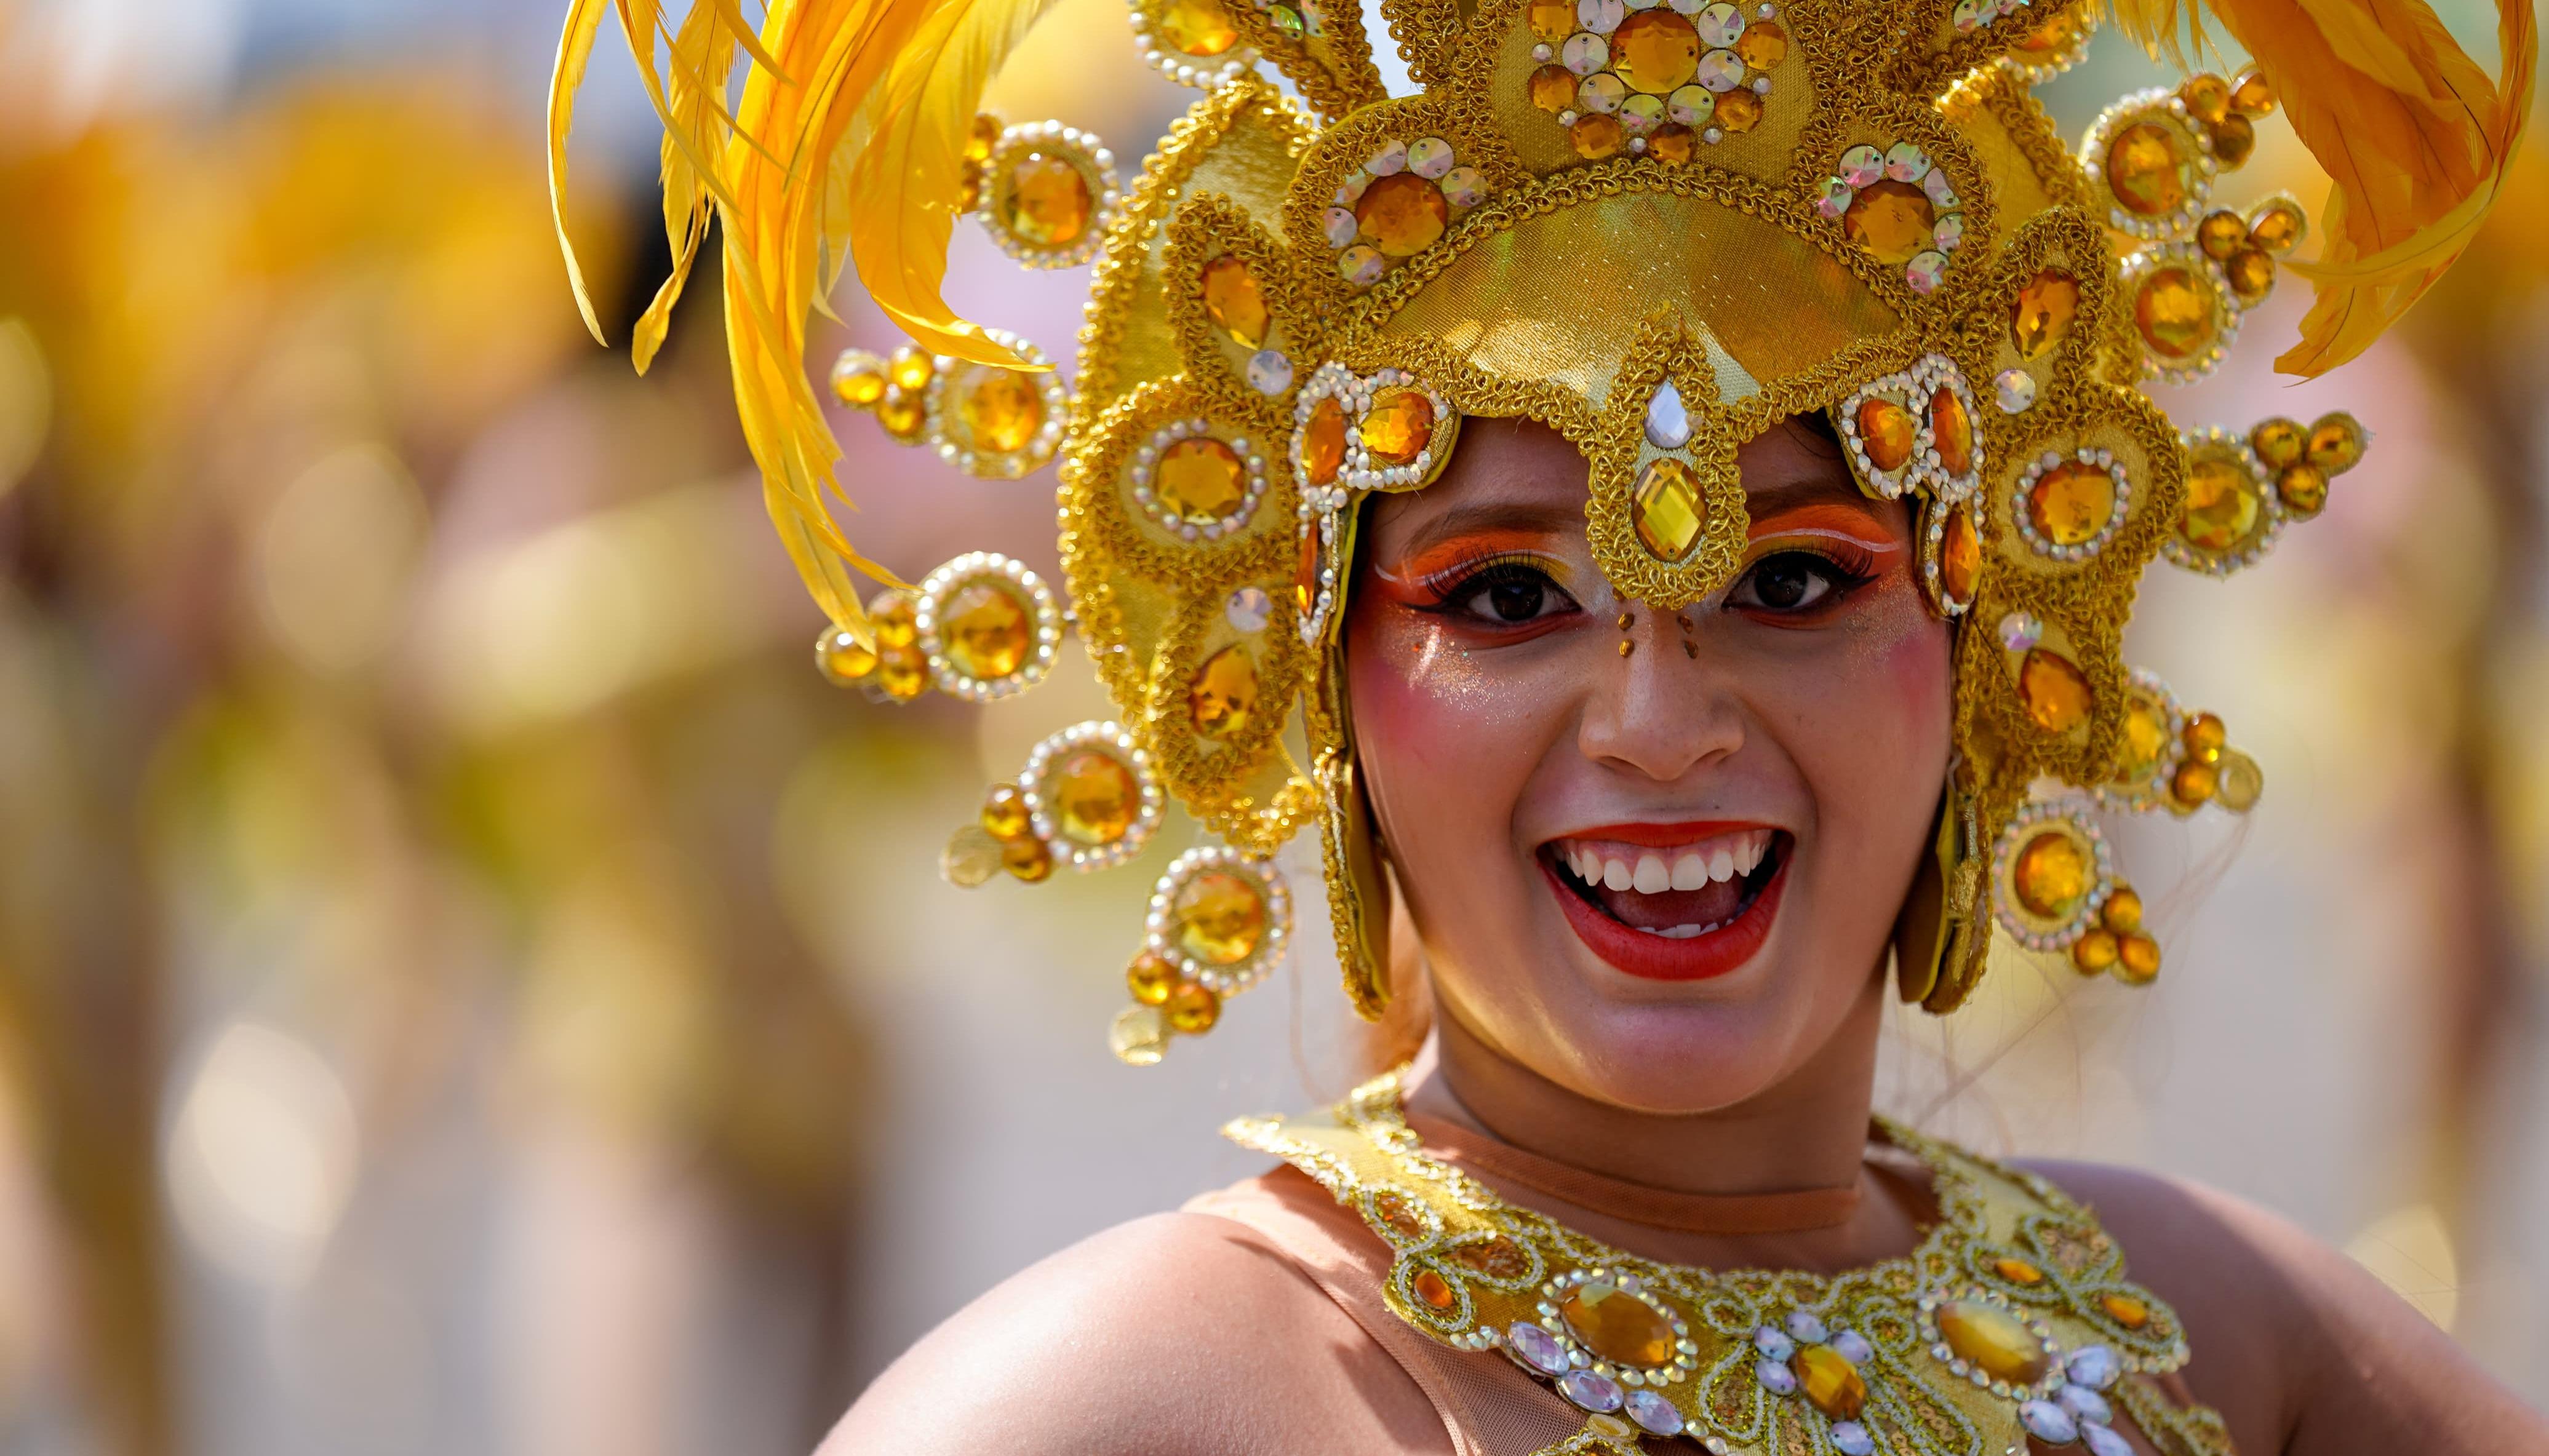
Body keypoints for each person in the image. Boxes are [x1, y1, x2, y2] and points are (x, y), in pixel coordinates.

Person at [548, 0, 2547, 1451]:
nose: (1663, 722)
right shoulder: (1130, 1410)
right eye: (1503, 599)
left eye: (1795, 581)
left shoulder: (2212, 1341)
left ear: (1989, 623)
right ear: (1319, 680)